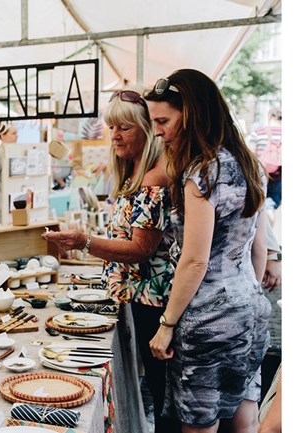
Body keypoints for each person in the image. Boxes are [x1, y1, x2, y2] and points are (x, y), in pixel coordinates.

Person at [44, 89, 180, 433]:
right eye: (111, 127)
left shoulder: (153, 178)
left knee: (164, 390)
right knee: (155, 382)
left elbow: (140, 249)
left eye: (125, 128)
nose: (115, 135)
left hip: (155, 301)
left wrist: (83, 242)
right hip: (138, 297)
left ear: (146, 131)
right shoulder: (133, 169)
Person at [144, 69, 271, 433]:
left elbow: (195, 259)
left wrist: (166, 325)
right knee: (244, 418)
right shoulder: (250, 166)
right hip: (249, 306)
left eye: (164, 120)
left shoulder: (202, 173)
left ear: (193, 112)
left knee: (201, 424)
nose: (157, 130)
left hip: (207, 318)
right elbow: (257, 250)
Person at [250, 107, 282, 223]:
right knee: (271, 204)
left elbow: (252, 155)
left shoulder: (258, 132)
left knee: (262, 206)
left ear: (269, 116)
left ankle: (266, 236)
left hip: (261, 173)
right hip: (279, 175)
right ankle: (268, 234)